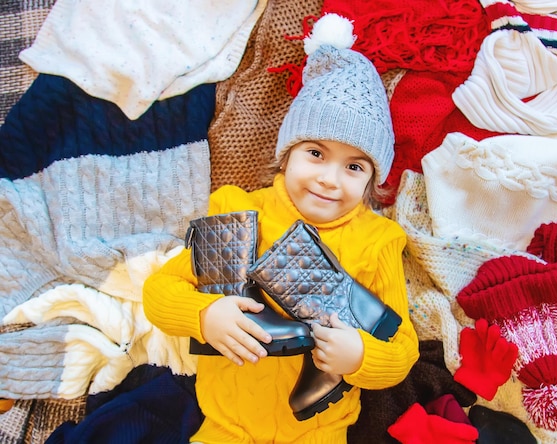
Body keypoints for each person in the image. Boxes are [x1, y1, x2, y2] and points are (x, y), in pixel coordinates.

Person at [143, 13, 419, 444]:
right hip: (225, 423)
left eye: (353, 166)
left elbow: (402, 351)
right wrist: (204, 315)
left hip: (318, 428)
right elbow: (158, 293)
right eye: (315, 153)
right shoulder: (241, 213)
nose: (330, 178)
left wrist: (360, 356)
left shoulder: (376, 241)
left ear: (371, 179)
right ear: (286, 154)